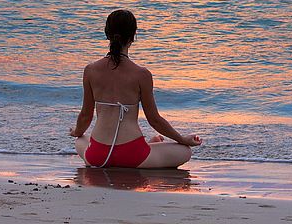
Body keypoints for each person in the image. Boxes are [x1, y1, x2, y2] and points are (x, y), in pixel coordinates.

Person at [70, 9, 202, 168]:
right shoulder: (142, 74)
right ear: (133, 36)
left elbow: (85, 115)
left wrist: (77, 132)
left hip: (97, 156)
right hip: (133, 155)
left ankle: (151, 145)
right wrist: (182, 139)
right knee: (185, 152)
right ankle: (152, 145)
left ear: (107, 34)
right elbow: (154, 120)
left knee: (80, 140)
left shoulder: (90, 70)